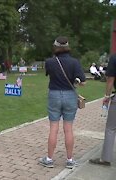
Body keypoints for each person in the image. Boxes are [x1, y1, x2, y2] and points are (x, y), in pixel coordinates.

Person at [39, 36, 86, 169]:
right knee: (68, 129)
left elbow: (49, 74)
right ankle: (70, 160)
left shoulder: (50, 62)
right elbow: (83, 82)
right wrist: (75, 81)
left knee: (54, 128)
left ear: (55, 47)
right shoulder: (74, 62)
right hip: (70, 95)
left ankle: (49, 159)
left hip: (54, 94)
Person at [89, 53, 116, 166]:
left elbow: (110, 79)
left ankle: (105, 158)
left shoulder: (114, 58)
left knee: (111, 128)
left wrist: (107, 96)